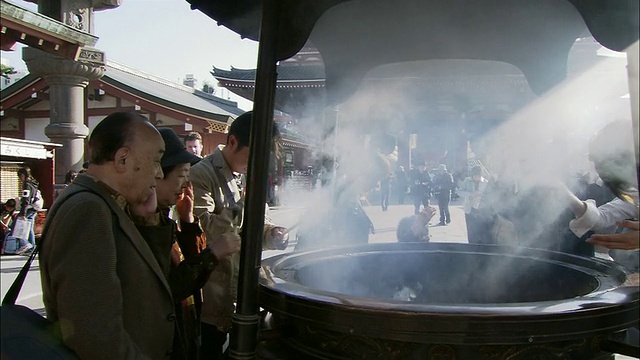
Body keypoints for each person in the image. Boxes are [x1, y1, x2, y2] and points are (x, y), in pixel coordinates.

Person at [39, 111, 177, 359]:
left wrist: (148, 220)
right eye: (156, 161)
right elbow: (94, 334)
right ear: (122, 159)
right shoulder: (88, 209)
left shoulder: (108, 204)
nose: (158, 173)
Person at [134, 128, 242, 359]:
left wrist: (188, 221)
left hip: (186, 328)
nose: (185, 185)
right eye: (182, 176)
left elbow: (190, 272)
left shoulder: (163, 216)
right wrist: (212, 253)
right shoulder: (142, 221)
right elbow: (170, 287)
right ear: (157, 175)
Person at [189, 111, 288, 360]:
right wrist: (244, 205)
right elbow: (204, 229)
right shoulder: (202, 174)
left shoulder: (245, 176)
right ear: (232, 142)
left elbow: (256, 223)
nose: (255, 163)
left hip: (243, 290)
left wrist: (271, 233)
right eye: (252, 155)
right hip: (214, 293)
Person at [460, 165, 490, 244]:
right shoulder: (467, 181)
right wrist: (470, 194)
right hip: (469, 209)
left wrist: (481, 197)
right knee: (471, 229)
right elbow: (460, 192)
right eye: (475, 176)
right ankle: (471, 244)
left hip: (481, 209)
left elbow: (488, 195)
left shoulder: (486, 182)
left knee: (481, 229)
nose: (477, 178)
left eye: (478, 176)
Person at [16, 166, 42, 253]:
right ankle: (32, 247)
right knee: (29, 227)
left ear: (23, 175)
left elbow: (26, 199)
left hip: (28, 208)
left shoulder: (27, 185)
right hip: (34, 208)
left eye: (20, 176)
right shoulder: (33, 183)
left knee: (19, 226)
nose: (20, 178)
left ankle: (25, 243)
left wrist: (23, 213)